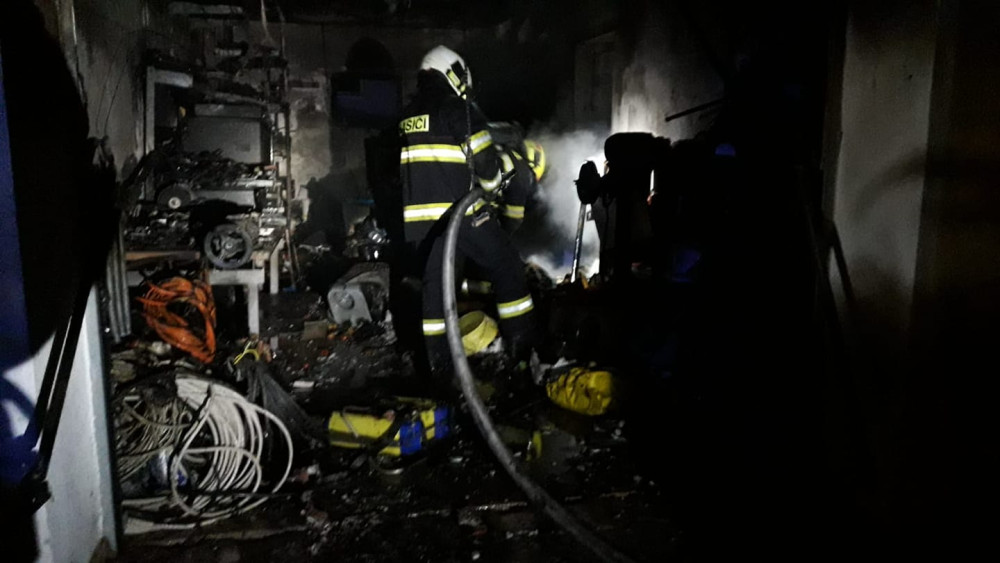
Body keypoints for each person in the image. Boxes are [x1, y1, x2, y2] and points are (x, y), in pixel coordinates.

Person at [399, 45, 536, 375]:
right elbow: (485, 166)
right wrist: (497, 182)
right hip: (463, 215)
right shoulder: (459, 108)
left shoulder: (409, 115)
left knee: (437, 292)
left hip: (423, 225)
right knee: (508, 268)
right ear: (453, 73)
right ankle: (520, 350)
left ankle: (440, 368)